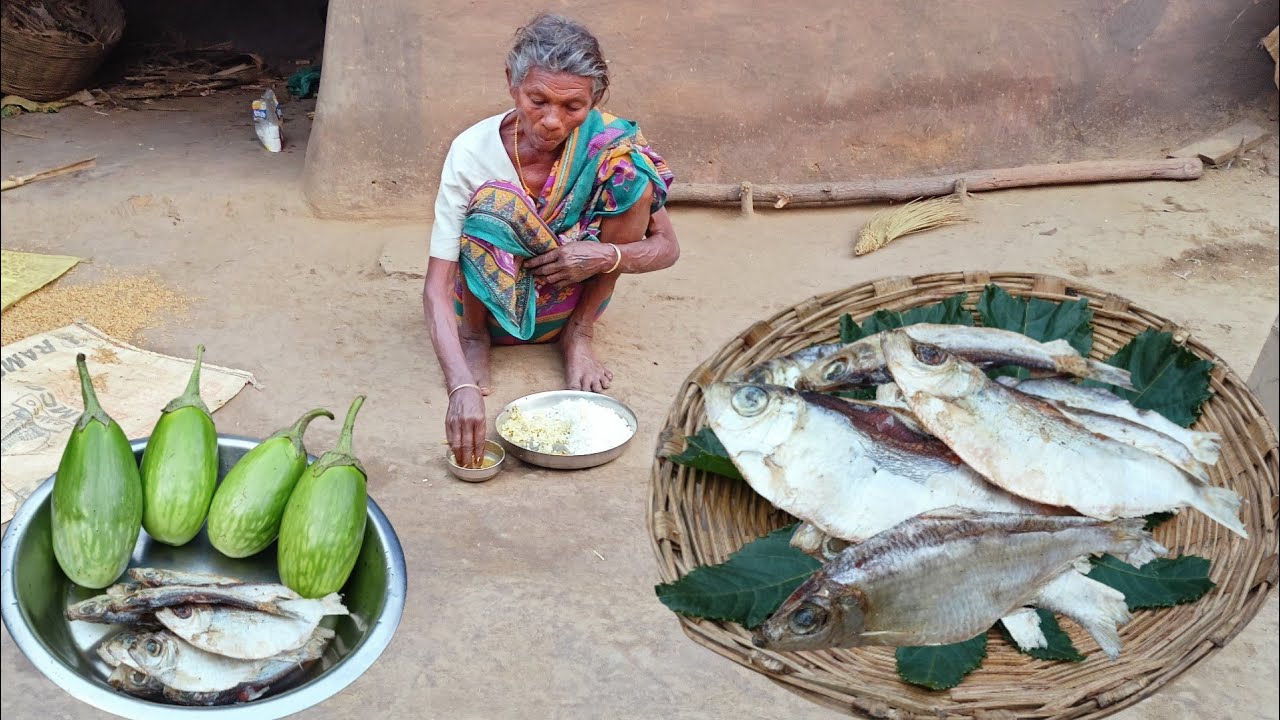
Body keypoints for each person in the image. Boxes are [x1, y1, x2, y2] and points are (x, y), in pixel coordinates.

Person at [423, 13, 680, 468]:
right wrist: (459, 384)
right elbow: (437, 286)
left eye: (572, 107)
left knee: (635, 180)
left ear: (594, 99)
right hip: (490, 304)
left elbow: (667, 249)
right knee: (494, 203)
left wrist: (604, 255)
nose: (552, 121)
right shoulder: (472, 151)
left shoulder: (609, 144)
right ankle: (475, 338)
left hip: (570, 300)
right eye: (537, 99)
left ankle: (578, 334)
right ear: (511, 83)